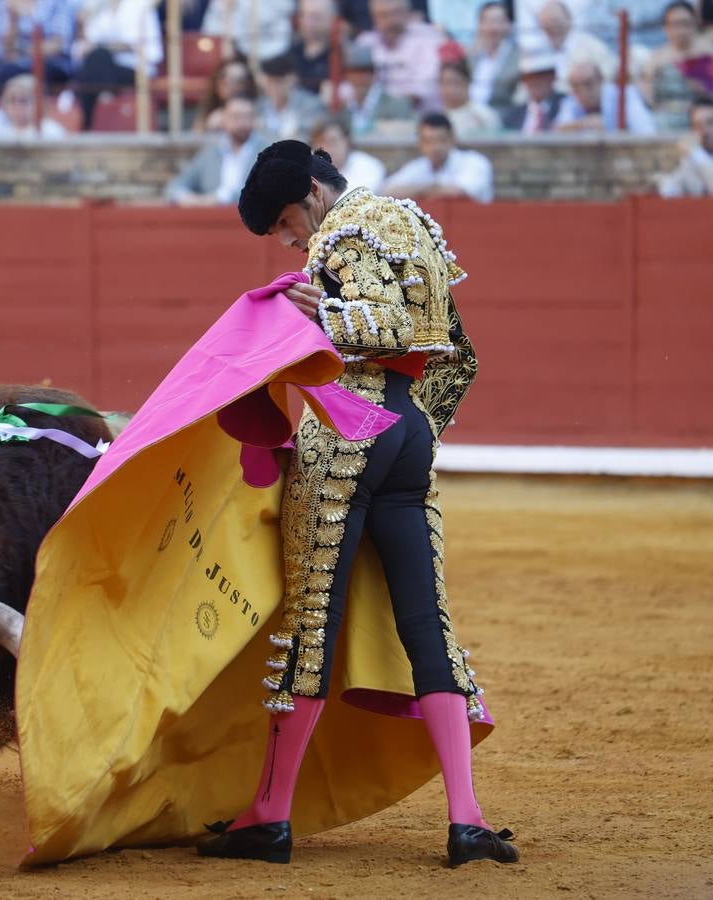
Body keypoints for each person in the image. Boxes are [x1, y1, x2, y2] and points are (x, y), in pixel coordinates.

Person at [197, 138, 513, 868]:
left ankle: (268, 817)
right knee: (425, 621)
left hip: (347, 432)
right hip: (407, 433)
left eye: (284, 222)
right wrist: (417, 426)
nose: (289, 240)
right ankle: (466, 820)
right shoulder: (414, 224)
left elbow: (388, 328)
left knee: (313, 624)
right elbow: (457, 350)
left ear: (312, 190)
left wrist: (317, 321)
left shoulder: (343, 232)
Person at [642, 1, 713, 130]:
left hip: (702, 117)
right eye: (675, 24)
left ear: (694, 24)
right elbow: (648, 96)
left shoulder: (708, 51)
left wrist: (704, 88)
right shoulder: (657, 57)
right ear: (666, 28)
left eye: (685, 23)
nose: (681, 30)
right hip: (665, 117)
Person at [73, 0, 163, 130]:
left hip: (137, 68)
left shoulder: (139, 4)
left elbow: (131, 44)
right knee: (92, 65)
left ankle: (89, 122)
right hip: (105, 69)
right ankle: (103, 99)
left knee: (97, 59)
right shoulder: (100, 6)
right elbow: (89, 41)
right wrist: (83, 23)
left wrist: (100, 47)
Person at [166, 94, 268, 205]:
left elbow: (265, 191)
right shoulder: (211, 152)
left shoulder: (267, 152)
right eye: (236, 117)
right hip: (210, 218)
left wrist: (220, 198)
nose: (242, 123)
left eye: (247, 117)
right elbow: (176, 186)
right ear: (224, 119)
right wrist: (190, 199)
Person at [355, 0, 446, 112]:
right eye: (383, 15)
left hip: (421, 116)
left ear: (407, 12)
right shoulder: (365, 42)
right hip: (372, 117)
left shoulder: (428, 38)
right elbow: (350, 89)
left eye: (395, 13)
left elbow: (421, 90)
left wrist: (384, 104)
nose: (390, 21)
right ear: (373, 17)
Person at [383, 111, 494, 202]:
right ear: (420, 143)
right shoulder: (418, 166)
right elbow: (387, 192)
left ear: (452, 138)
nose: (435, 147)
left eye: (441, 140)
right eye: (428, 141)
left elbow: (458, 192)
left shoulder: (474, 161)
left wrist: (417, 191)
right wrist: (428, 189)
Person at [0, 0, 75, 91]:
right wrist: (13, 19)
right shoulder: (11, 4)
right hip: (19, 61)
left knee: (13, 71)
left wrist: (23, 50)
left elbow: (58, 44)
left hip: (53, 62)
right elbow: (7, 49)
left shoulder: (57, 3)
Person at [554, 59, 657, 133]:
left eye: (588, 84)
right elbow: (556, 132)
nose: (583, 91)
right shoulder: (571, 101)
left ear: (601, 80)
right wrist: (584, 124)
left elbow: (646, 132)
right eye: (575, 86)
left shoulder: (624, 95)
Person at [534, 0, 616, 92]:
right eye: (546, 25)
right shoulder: (540, 53)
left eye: (555, 21)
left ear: (569, 18)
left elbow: (608, 80)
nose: (552, 28)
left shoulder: (592, 47)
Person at [255, 53, 328, 141]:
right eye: (270, 81)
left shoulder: (311, 105)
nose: (275, 87)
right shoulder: (258, 107)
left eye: (279, 81)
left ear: (292, 79)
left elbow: (309, 138)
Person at [466, 1, 519, 114]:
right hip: (469, 115)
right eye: (487, 21)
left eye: (498, 21)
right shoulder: (470, 56)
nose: (492, 28)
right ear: (479, 25)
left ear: (509, 25)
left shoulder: (518, 57)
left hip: (501, 116)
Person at [311, 114, 386, 190]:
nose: (327, 148)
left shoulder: (370, 166)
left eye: (333, 141)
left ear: (347, 142)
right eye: (321, 141)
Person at [502, 48, 564, 132]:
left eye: (542, 75)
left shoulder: (566, 105)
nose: (536, 81)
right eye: (529, 77)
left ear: (553, 76)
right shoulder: (512, 116)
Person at [438, 58, 502, 138]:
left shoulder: (485, 116)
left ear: (467, 82)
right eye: (444, 83)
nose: (449, 89)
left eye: (455, 82)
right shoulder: (436, 119)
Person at [194, 56, 256, 133]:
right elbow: (197, 135)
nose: (232, 85)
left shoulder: (258, 108)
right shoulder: (210, 107)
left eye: (239, 80)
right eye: (224, 77)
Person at [288, 0, 338, 94]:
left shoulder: (339, 56)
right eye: (303, 15)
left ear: (331, 20)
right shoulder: (290, 52)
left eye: (315, 17)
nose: (307, 23)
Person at [0, 73, 67, 138]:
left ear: (39, 103)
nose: (17, 105)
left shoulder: (52, 132)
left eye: (23, 100)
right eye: (12, 100)